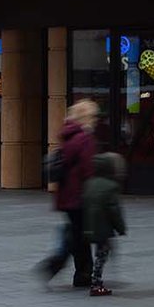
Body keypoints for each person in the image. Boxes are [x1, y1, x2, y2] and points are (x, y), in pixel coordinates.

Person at [36, 99, 97, 288]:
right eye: (94, 115)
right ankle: (56, 265)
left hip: (67, 196)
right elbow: (88, 170)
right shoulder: (84, 138)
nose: (96, 119)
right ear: (86, 117)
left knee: (79, 235)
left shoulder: (69, 135)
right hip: (79, 196)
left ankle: (83, 273)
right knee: (78, 236)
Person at [82, 153, 126, 296]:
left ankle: (94, 279)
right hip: (103, 227)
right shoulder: (111, 186)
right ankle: (96, 283)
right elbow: (114, 210)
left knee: (98, 253)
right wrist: (121, 228)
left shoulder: (89, 183)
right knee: (102, 254)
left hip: (89, 225)